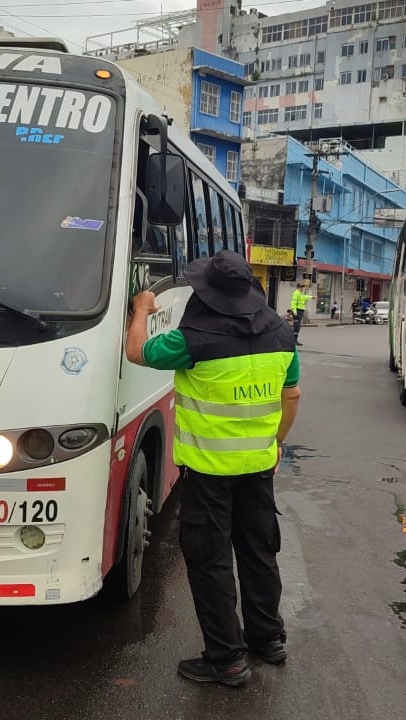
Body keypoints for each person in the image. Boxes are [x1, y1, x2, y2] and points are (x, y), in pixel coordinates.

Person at [125, 250, 301, 688]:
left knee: (210, 559)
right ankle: (268, 639)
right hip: (259, 468)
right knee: (259, 553)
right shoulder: (281, 332)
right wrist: (275, 445)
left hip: (209, 475)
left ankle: (226, 659)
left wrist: (143, 310)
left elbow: (136, 351)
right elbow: (292, 395)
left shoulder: (191, 339)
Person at [289, 280, 312, 346]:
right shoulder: (296, 293)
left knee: (298, 326)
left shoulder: (300, 293)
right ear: (298, 287)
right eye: (301, 287)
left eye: (303, 287)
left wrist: (311, 297)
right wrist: (295, 312)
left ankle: (295, 340)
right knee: (296, 326)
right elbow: (293, 303)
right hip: (297, 311)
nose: (302, 288)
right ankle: (293, 341)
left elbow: (304, 297)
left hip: (300, 311)